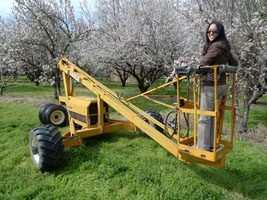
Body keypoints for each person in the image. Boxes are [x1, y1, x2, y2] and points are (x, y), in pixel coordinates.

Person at [197, 21, 238, 151]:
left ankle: (202, 147)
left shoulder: (215, 46)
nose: (210, 33)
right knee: (212, 115)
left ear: (219, 32)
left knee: (204, 117)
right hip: (221, 85)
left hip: (210, 86)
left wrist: (195, 68)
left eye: (214, 31)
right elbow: (234, 63)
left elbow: (204, 63)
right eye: (209, 31)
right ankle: (210, 144)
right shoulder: (225, 45)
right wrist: (223, 68)